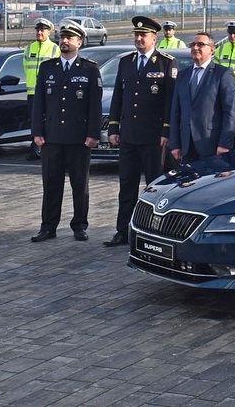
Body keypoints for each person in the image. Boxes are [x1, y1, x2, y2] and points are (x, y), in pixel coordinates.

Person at [104, 16, 176, 247]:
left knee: (154, 187)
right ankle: (122, 231)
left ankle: (151, 232)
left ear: (154, 38)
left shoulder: (166, 62)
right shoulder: (126, 62)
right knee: (126, 185)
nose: (138, 38)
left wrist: (166, 130)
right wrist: (114, 127)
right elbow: (118, 96)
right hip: (129, 136)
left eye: (143, 35)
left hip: (153, 137)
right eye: (136, 35)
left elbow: (169, 101)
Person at [29, 22, 102, 242]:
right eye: (62, 37)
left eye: (70, 38)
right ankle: (48, 226)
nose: (64, 41)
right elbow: (38, 103)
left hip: (79, 138)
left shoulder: (89, 69)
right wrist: (37, 132)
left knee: (80, 185)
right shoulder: (48, 68)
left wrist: (93, 134)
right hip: (52, 137)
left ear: (79, 42)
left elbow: (94, 106)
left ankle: (79, 225)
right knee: (51, 184)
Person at [169, 32, 235, 163]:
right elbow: (175, 112)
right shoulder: (182, 75)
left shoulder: (223, 74)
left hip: (212, 144)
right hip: (187, 146)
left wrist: (225, 144)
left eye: (200, 44)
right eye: (192, 45)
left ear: (212, 49)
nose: (195, 48)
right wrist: (175, 144)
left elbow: (230, 112)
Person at [23, 18, 60, 160]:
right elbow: (26, 68)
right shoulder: (28, 48)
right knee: (34, 120)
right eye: (37, 30)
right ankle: (35, 147)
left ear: (49, 32)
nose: (39, 32)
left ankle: (46, 148)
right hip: (32, 92)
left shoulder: (55, 48)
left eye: (42, 30)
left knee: (49, 120)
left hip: (50, 93)